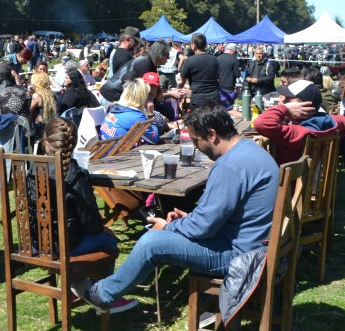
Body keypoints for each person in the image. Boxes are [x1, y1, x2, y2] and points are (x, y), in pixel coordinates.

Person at [71, 102, 279, 311]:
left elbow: (203, 227)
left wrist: (168, 226)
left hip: (239, 255)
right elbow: (218, 216)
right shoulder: (252, 150)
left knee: (152, 242)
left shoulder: (228, 167)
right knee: (163, 234)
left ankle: (103, 294)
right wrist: (188, 219)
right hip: (254, 244)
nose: (196, 147)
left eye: (196, 140)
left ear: (212, 134)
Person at [31, 117, 138, 313]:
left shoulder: (30, 169)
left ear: (46, 144)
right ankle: (105, 296)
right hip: (66, 246)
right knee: (109, 239)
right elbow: (92, 224)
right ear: (73, 146)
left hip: (35, 244)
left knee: (98, 236)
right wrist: (105, 230)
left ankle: (78, 288)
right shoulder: (75, 175)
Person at [253, 79, 345, 165]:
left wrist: (285, 109)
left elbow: (260, 123)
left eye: (288, 100)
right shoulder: (327, 122)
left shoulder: (297, 133)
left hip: (286, 184)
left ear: (305, 106)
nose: (282, 102)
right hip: (312, 181)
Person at [99, 79, 159, 146]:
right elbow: (154, 139)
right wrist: (151, 115)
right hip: (119, 155)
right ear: (141, 98)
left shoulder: (113, 108)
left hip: (105, 153)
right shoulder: (136, 116)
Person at [178, 33, 220, 110]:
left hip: (198, 98)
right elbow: (217, 78)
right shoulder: (214, 59)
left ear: (193, 45)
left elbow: (181, 82)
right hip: (214, 96)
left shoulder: (190, 60)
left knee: (198, 120)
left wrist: (179, 90)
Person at [29, 71, 57, 139]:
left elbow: (28, 110)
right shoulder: (51, 94)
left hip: (38, 128)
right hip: (50, 126)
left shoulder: (37, 96)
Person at [217, 43, 240, 107]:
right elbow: (237, 74)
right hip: (229, 87)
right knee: (229, 107)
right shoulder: (234, 59)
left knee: (220, 106)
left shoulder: (218, 58)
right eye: (235, 51)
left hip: (219, 86)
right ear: (233, 51)